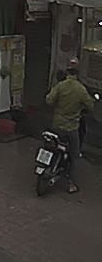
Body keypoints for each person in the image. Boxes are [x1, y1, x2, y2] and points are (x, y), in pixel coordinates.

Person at [46, 58, 94, 194]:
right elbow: (90, 106)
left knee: (52, 146)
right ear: (77, 73)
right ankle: (70, 183)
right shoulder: (80, 89)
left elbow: (49, 100)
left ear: (67, 71)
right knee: (74, 155)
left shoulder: (60, 86)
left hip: (56, 125)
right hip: (71, 128)